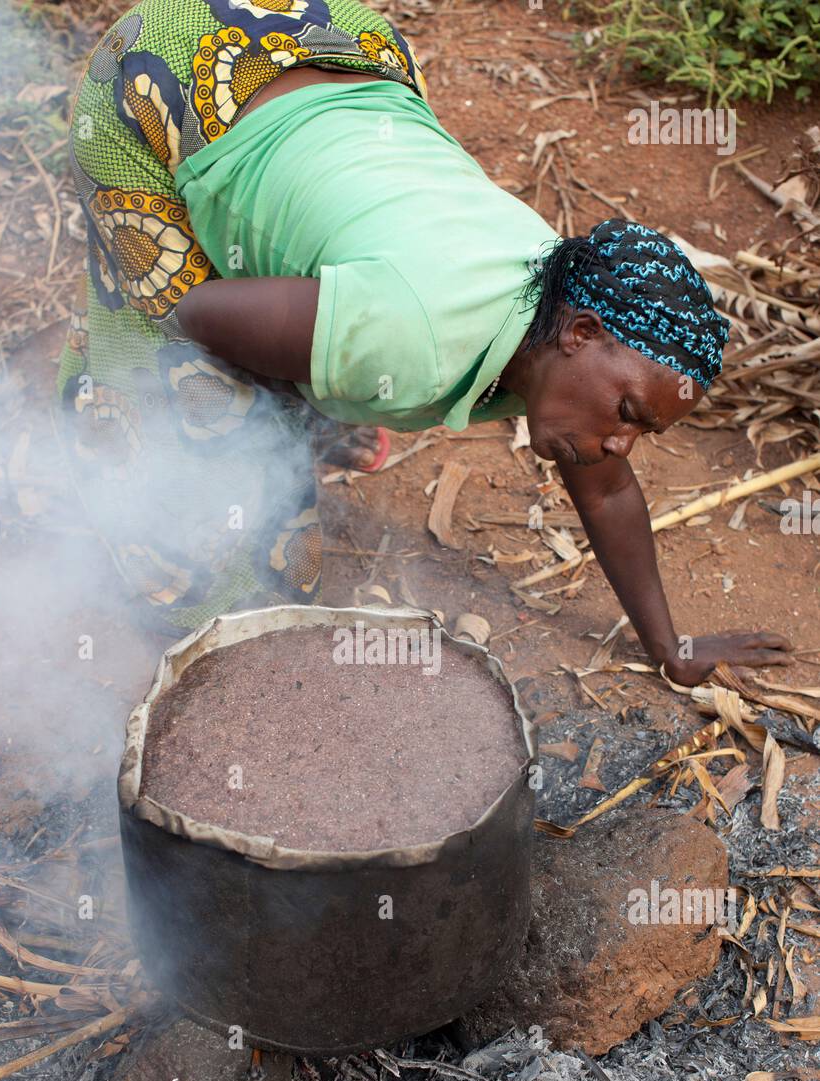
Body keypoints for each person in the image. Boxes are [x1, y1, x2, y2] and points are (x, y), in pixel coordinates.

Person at [59, 0, 791, 683]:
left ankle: (307, 358)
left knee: (314, 367)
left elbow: (606, 491)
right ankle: (99, 391)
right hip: (162, 80)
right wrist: (279, 410)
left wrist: (672, 650)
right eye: (630, 414)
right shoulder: (413, 339)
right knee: (228, 529)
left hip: (346, 41)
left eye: (644, 432)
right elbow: (199, 312)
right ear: (581, 333)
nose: (623, 444)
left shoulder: (559, 317)